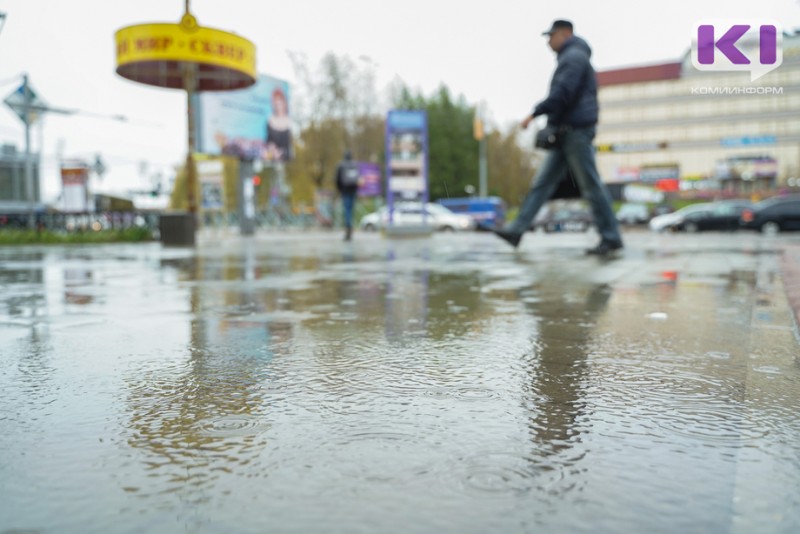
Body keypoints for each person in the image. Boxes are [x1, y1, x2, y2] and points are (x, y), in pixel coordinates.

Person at [493, 19, 623, 255]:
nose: (548, 42)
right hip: (564, 133)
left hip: (575, 131)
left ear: (565, 33)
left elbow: (562, 93)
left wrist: (534, 113)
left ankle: (611, 237)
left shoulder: (573, 57)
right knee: (541, 185)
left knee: (590, 185)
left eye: (551, 36)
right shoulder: (573, 57)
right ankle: (516, 230)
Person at [336, 151, 360, 241]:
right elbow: (358, 178)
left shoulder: (341, 165)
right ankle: (350, 227)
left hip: (345, 190)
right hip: (353, 190)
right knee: (351, 209)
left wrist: (339, 189)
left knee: (347, 210)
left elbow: (337, 179)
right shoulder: (355, 165)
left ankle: (348, 228)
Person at [265, 87, 292, 161]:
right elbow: (269, 140)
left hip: (285, 156)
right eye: (275, 103)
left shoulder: (289, 120)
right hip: (272, 155)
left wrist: (281, 152)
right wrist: (272, 149)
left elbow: (289, 145)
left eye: (279, 102)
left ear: (284, 103)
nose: (278, 106)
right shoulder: (270, 120)